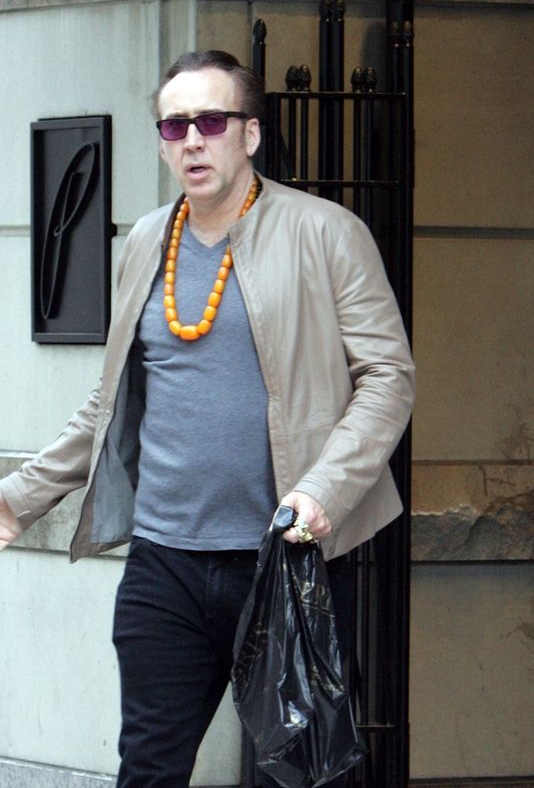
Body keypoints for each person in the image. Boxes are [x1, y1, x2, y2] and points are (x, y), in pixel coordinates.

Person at [0, 50, 415, 787]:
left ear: (250, 134)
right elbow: (110, 402)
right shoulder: (143, 243)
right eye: (175, 125)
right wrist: (18, 499)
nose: (192, 139)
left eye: (212, 121)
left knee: (306, 774)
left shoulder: (326, 232)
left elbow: (388, 377)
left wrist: (325, 490)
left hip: (287, 560)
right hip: (165, 563)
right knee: (148, 768)